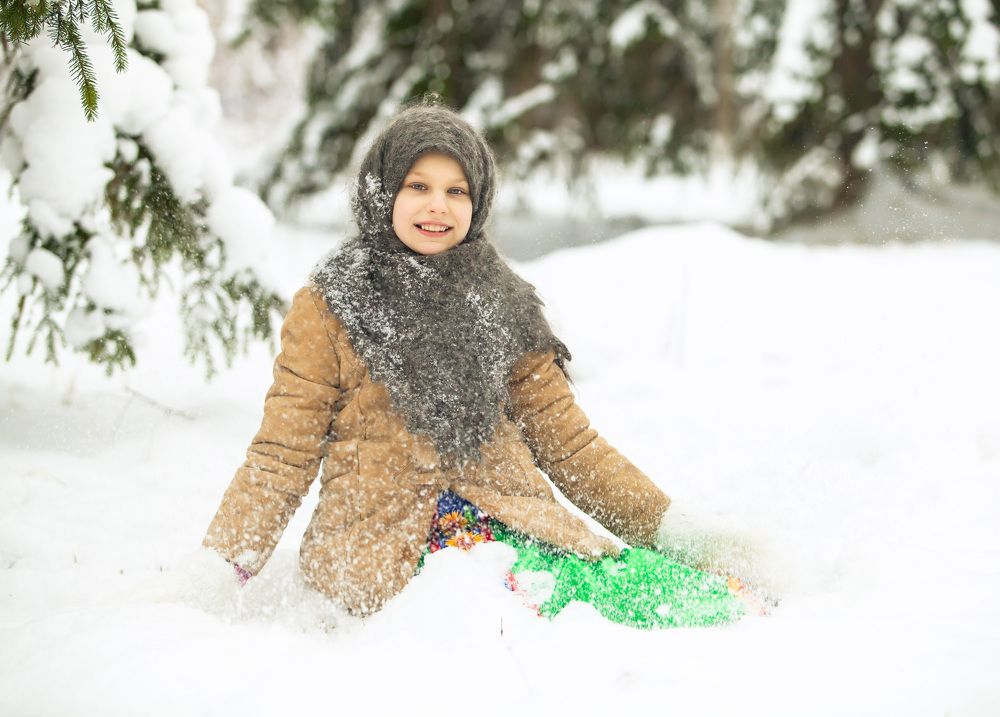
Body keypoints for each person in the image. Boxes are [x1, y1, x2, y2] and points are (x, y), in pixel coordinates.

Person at [203, 101, 760, 627]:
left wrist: (672, 532)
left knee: (661, 597)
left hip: (509, 533)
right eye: (417, 186)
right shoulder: (331, 305)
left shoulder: (502, 302)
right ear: (382, 191)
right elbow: (283, 452)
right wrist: (223, 568)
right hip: (377, 553)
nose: (438, 206)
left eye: (457, 191)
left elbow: (570, 448)